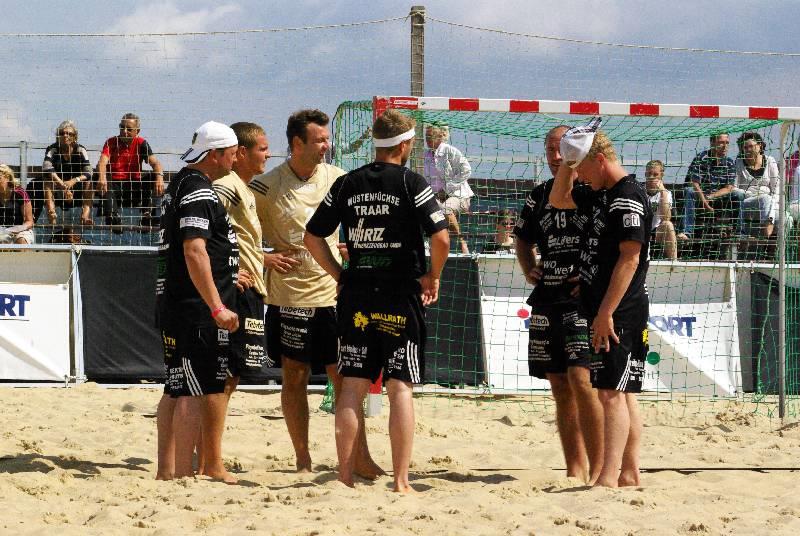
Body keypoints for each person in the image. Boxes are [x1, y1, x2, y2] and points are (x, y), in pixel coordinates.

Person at [304, 109, 450, 492]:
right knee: (400, 387)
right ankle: (401, 481)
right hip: (400, 295)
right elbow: (441, 238)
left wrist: (340, 275)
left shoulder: (347, 183)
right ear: (405, 144)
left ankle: (344, 476)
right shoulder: (411, 182)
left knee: (351, 386)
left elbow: (311, 237)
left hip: (356, 295)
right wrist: (432, 275)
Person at [249, 109, 379, 476]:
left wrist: (351, 247)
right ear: (297, 143)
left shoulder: (338, 178)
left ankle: (360, 458)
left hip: (333, 293)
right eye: (319, 140)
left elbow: (359, 223)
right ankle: (302, 459)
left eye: (327, 139)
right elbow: (237, 232)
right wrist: (264, 256)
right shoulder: (266, 186)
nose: (327, 145)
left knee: (345, 378)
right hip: (289, 296)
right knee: (294, 376)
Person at [549, 118, 653, 488]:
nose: (580, 176)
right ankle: (628, 471)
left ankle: (608, 476)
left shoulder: (626, 196)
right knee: (622, 392)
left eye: (583, 167)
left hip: (619, 309)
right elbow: (558, 199)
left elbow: (630, 259)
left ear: (600, 160)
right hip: (607, 306)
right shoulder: (601, 193)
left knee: (610, 393)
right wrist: (569, 161)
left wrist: (606, 312)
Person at [514, 125, 604, 485]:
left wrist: (594, 275)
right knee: (559, 386)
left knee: (583, 380)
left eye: (560, 149)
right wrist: (528, 267)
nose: (555, 157)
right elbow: (522, 239)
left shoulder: (593, 191)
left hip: (582, 301)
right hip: (547, 297)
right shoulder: (538, 197)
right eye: (550, 150)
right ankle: (574, 469)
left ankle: (600, 469)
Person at [155, 121, 240, 483]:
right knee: (193, 390)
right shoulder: (199, 190)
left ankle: (167, 471)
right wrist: (217, 306)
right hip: (195, 309)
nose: (235, 159)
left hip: (177, 303)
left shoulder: (179, 184)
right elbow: (194, 249)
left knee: (175, 388)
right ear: (215, 154)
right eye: (232, 153)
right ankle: (182, 473)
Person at [211, 122, 270, 407]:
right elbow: (201, 235)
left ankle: (211, 434)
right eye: (263, 149)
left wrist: (264, 258)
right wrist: (228, 273)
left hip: (251, 288)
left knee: (233, 375)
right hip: (236, 291)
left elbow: (240, 238)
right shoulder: (224, 187)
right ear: (242, 153)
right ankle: (210, 436)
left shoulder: (244, 189)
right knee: (225, 374)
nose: (268, 155)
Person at [97, 113, 164, 231]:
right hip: (114, 188)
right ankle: (113, 218)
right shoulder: (111, 142)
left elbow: (155, 163)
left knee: (154, 176)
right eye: (122, 127)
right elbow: (102, 162)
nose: (124, 131)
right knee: (101, 176)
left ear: (137, 131)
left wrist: (160, 177)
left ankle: (148, 216)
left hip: (134, 187)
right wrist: (102, 177)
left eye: (129, 129)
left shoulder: (141, 143)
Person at [424, 125, 472, 254]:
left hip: (458, 195)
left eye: (430, 136)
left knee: (446, 209)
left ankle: (462, 242)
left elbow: (467, 170)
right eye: (426, 136)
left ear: (440, 137)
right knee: (423, 208)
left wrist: (447, 189)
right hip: (437, 196)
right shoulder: (426, 155)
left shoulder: (450, 151)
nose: (427, 139)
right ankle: (429, 245)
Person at [682, 133, 741, 239]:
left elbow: (729, 188)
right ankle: (687, 232)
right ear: (712, 143)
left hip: (716, 197)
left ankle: (739, 233)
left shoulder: (729, 162)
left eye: (727, 143)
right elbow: (694, 183)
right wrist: (704, 201)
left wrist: (710, 197)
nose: (725, 146)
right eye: (721, 142)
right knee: (689, 191)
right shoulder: (702, 158)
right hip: (699, 196)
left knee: (738, 195)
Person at [36, 120, 94, 226]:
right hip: (58, 186)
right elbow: (46, 167)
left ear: (75, 137)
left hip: (76, 187)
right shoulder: (53, 149)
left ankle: (85, 216)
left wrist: (74, 180)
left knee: (89, 182)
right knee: (47, 180)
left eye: (69, 134)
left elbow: (89, 172)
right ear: (58, 136)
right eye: (62, 133)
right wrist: (63, 186)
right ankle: (51, 214)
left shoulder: (80, 150)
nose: (65, 136)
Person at [733, 132, 780, 239]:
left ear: (760, 145)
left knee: (786, 218)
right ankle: (766, 233)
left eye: (751, 146)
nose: (748, 150)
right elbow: (734, 188)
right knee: (765, 198)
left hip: (770, 204)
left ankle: (772, 248)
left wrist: (773, 202)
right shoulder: (739, 162)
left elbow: (776, 188)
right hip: (748, 203)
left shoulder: (770, 161)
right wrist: (749, 194)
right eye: (745, 147)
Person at [644, 160, 678, 260]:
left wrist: (662, 192)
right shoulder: (638, 190)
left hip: (655, 231)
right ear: (645, 174)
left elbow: (666, 218)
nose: (651, 177)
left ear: (661, 175)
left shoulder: (667, 193)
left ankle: (674, 262)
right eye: (649, 174)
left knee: (668, 225)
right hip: (640, 228)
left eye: (655, 174)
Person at [0, 164, 35, 244]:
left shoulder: (20, 193)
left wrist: (15, 229)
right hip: (1, 230)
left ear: (7, 178)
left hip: (21, 230)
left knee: (21, 240)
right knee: (2, 241)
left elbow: (29, 222)